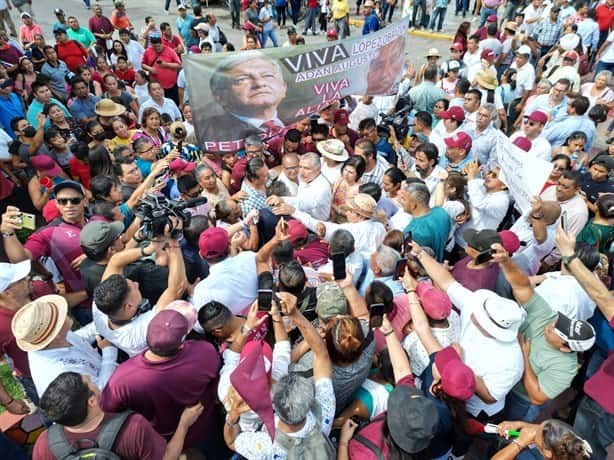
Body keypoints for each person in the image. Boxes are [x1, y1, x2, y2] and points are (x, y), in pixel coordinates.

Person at [33, 371, 204, 460]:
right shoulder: (132, 427)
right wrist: (184, 423)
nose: (93, 381)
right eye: (90, 382)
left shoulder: (44, 444)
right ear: (91, 401)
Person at [1, 181, 92, 325]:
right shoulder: (48, 234)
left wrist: (94, 254)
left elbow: (118, 247)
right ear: (56, 204)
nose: (69, 205)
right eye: (63, 201)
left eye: (74, 200)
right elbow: (21, 260)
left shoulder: (96, 220)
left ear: (85, 201)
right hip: (87, 305)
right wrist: (8, 233)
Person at [200, 51, 288, 144]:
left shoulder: (297, 121)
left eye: (267, 75)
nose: (259, 83)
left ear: (283, 88)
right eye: (242, 79)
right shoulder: (210, 134)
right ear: (220, 96)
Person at [399, 181, 451, 261]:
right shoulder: (441, 212)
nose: (400, 201)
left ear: (413, 205)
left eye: (403, 199)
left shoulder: (412, 232)